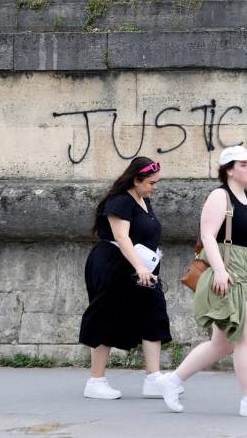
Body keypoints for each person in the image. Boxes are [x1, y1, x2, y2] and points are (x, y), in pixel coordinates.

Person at [156, 145, 247, 417]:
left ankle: (171, 381)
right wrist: (220, 271)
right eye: (243, 164)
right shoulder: (220, 196)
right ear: (229, 170)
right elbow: (208, 235)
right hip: (231, 272)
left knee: (224, 343)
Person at [79, 156, 176, 400]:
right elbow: (122, 237)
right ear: (136, 179)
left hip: (142, 266)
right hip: (114, 266)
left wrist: (146, 268)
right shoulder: (120, 201)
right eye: (151, 183)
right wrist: (139, 268)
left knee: (154, 312)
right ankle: (96, 381)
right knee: (106, 316)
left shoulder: (144, 200)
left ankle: (153, 378)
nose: (155, 187)